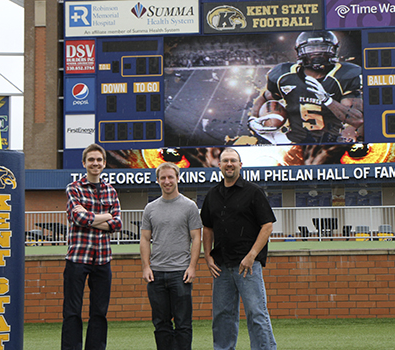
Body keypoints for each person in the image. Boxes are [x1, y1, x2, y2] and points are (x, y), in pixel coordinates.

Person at [201, 148, 277, 350]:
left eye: (233, 160)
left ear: (240, 165)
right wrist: (207, 256)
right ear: (219, 165)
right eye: (225, 160)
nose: (229, 164)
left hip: (248, 266)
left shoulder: (253, 192)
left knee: (256, 313)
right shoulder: (212, 194)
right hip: (222, 266)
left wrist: (252, 256)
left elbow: (267, 225)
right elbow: (207, 227)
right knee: (222, 316)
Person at [249, 31, 364, 144]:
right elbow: (265, 96)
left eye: (322, 48)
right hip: (295, 142)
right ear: (299, 52)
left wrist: (328, 100)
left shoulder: (345, 75)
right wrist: (253, 118)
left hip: (331, 143)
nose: (317, 53)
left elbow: (357, 119)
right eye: (311, 49)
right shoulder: (284, 75)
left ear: (333, 49)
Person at [62, 143, 122, 350]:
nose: (95, 163)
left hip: (103, 260)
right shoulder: (74, 188)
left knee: (99, 312)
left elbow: (118, 223)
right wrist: (105, 216)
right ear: (84, 163)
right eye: (91, 160)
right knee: (72, 311)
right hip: (77, 259)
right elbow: (77, 217)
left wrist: (91, 217)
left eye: (99, 160)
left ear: (104, 163)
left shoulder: (110, 191)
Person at [140, 162, 202, 350]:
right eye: (163, 178)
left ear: (177, 178)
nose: (167, 181)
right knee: (161, 324)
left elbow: (196, 238)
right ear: (157, 180)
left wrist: (192, 267)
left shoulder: (189, 206)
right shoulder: (150, 208)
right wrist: (146, 267)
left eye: (170, 177)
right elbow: (144, 239)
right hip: (156, 275)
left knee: (183, 324)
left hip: (180, 274)